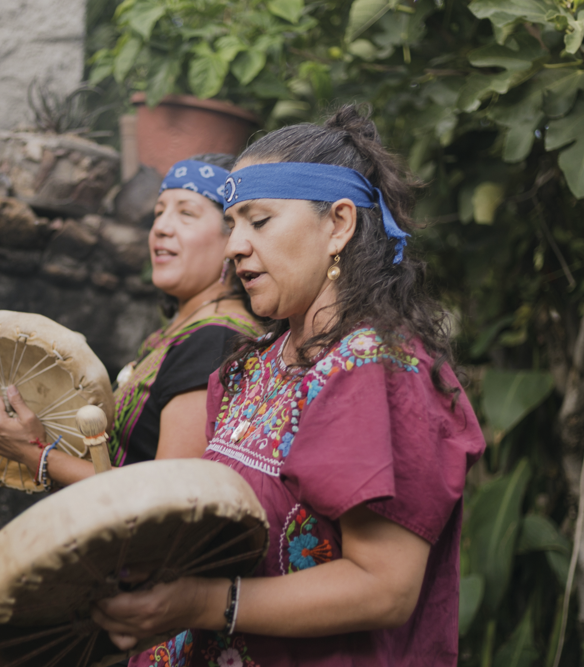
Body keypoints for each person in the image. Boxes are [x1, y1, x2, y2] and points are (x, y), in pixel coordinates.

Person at [89, 106, 487, 666]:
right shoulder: (254, 364)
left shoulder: (376, 369)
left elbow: (384, 587)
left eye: (260, 220)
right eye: (232, 224)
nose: (234, 246)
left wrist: (205, 603)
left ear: (339, 225)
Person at [0, 154, 261, 488]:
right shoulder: (178, 333)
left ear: (231, 240)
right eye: (159, 213)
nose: (160, 226)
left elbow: (172, 489)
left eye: (186, 213)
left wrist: (37, 455)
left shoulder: (216, 339)